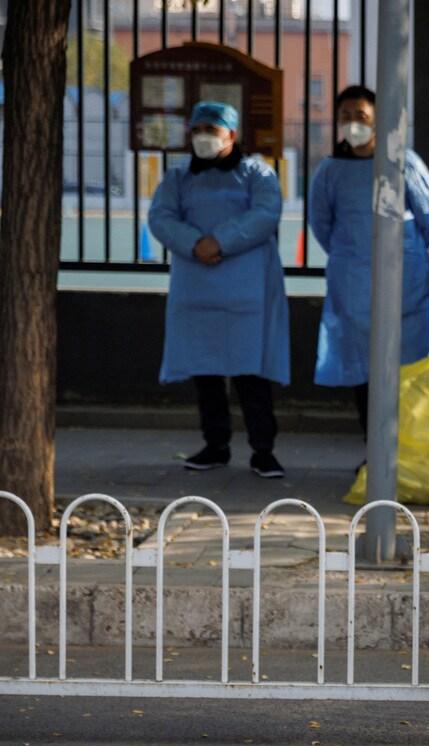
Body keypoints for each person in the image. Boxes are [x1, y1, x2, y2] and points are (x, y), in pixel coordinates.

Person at [148, 101, 289, 478]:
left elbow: (266, 213)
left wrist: (221, 241)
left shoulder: (257, 173)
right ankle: (215, 445)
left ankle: (263, 450)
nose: (203, 137)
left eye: (212, 129)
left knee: (251, 374)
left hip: (247, 292)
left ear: (232, 134)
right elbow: (160, 217)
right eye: (197, 130)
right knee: (205, 372)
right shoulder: (178, 178)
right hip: (197, 290)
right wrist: (195, 243)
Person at [309, 85, 429, 443]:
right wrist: (352, 255)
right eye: (346, 117)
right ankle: (375, 450)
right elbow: (322, 224)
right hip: (353, 288)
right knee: (364, 370)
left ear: (378, 120)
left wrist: (408, 253)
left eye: (362, 116)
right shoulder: (330, 171)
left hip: (407, 282)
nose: (354, 124)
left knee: (409, 369)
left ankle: (409, 452)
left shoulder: (403, 162)